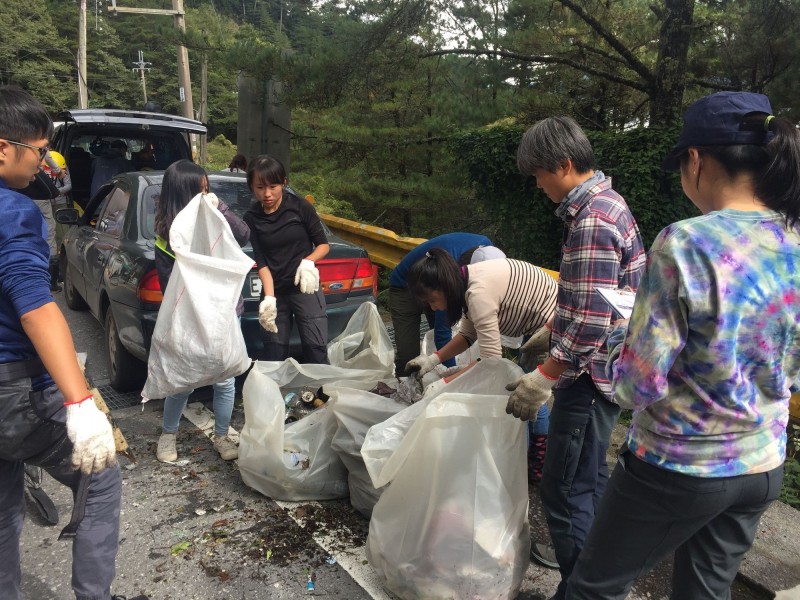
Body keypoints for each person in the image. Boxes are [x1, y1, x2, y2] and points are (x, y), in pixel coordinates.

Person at [565, 92, 800, 599]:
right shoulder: (795, 239)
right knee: (704, 594)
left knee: (594, 588)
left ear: (696, 160)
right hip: (761, 461)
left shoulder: (687, 242)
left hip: (679, 463)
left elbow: (635, 384)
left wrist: (615, 343)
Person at [512, 116, 646, 595]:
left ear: (564, 165)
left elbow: (592, 321)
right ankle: (598, 582)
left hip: (588, 380)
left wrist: (544, 375)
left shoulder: (591, 220)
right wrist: (551, 328)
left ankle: (583, 590)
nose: (538, 185)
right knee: (589, 481)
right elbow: (599, 298)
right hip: (608, 371)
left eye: (539, 175)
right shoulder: (608, 205)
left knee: (564, 491)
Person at [0, 86, 122, 599]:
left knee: (5, 500)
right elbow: (34, 305)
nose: (44, 164)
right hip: (14, 389)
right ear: (4, 147)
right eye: (39, 151)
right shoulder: (13, 210)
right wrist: (78, 403)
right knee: (102, 477)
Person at [153, 159, 250, 463]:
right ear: (182, 194)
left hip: (224, 315)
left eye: (207, 188)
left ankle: (222, 435)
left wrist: (220, 206)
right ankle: (168, 435)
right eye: (200, 190)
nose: (205, 194)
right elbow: (171, 282)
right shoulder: (170, 234)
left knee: (224, 378)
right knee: (183, 379)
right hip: (190, 318)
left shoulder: (215, 218)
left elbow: (244, 235)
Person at [404, 248, 558, 401]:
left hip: (550, 325)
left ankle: (539, 425)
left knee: (528, 393)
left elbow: (491, 361)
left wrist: (444, 384)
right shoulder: (465, 281)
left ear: (445, 286)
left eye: (432, 300)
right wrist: (433, 360)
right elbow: (467, 336)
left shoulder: (478, 294)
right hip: (539, 320)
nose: (432, 307)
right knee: (523, 386)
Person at [243, 155, 331, 363]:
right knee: (274, 351)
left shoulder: (300, 207)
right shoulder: (252, 217)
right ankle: (277, 394)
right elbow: (261, 261)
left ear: (284, 182)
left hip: (304, 286)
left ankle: (320, 392)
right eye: (260, 187)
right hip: (276, 291)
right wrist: (270, 298)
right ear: (252, 187)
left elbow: (323, 245)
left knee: (315, 347)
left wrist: (308, 261)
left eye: (273, 186)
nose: (267, 194)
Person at [389, 232, 494, 376]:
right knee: (409, 355)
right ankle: (406, 389)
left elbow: (468, 334)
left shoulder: (488, 256)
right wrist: (452, 377)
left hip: (435, 283)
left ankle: (433, 380)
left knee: (438, 344)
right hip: (404, 286)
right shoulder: (451, 272)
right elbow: (443, 333)